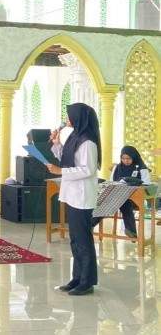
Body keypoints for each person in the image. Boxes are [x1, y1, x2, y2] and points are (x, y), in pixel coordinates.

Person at [47, 103, 101, 296]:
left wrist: (60, 171)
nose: (66, 118)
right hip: (72, 194)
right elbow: (66, 158)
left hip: (82, 196)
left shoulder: (88, 142)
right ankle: (77, 278)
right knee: (75, 240)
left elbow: (88, 169)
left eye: (69, 115)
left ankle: (87, 282)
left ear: (78, 117)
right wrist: (56, 144)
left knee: (83, 240)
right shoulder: (74, 136)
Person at [91, 146, 151, 238]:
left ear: (134, 157)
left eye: (128, 158)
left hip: (134, 200)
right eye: (123, 158)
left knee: (124, 201)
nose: (125, 161)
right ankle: (131, 230)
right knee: (105, 202)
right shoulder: (117, 167)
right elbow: (112, 182)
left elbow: (146, 184)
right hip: (117, 197)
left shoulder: (142, 168)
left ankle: (90, 224)